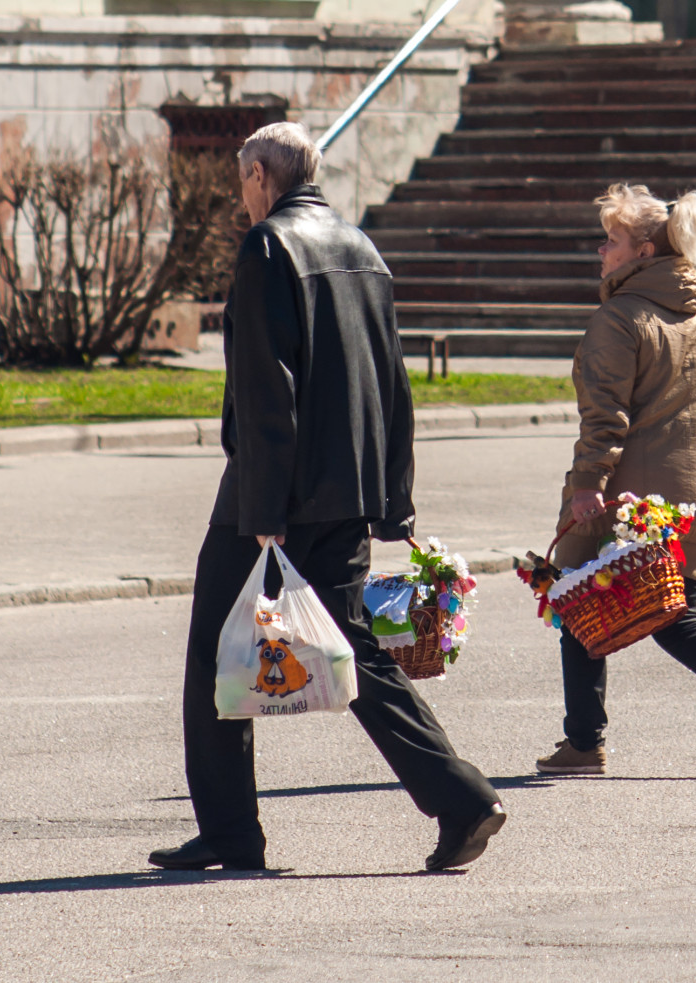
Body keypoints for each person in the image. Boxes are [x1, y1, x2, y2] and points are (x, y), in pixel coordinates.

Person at [149, 122, 505, 873]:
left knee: (216, 654)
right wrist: (394, 501)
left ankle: (231, 831)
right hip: (347, 492)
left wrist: (263, 512)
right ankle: (462, 797)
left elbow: (265, 388)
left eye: (240, 181)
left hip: (270, 497)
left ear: (258, 176)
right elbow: (394, 387)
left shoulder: (267, 247)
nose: (240, 196)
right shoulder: (362, 249)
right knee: (355, 650)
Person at [535, 183, 696, 779]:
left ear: (644, 252)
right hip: (689, 494)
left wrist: (586, 484)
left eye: (612, 241)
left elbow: (604, 417)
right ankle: (584, 741)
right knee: (649, 610)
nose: (601, 250)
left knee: (589, 604)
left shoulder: (618, 320)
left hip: (622, 497)